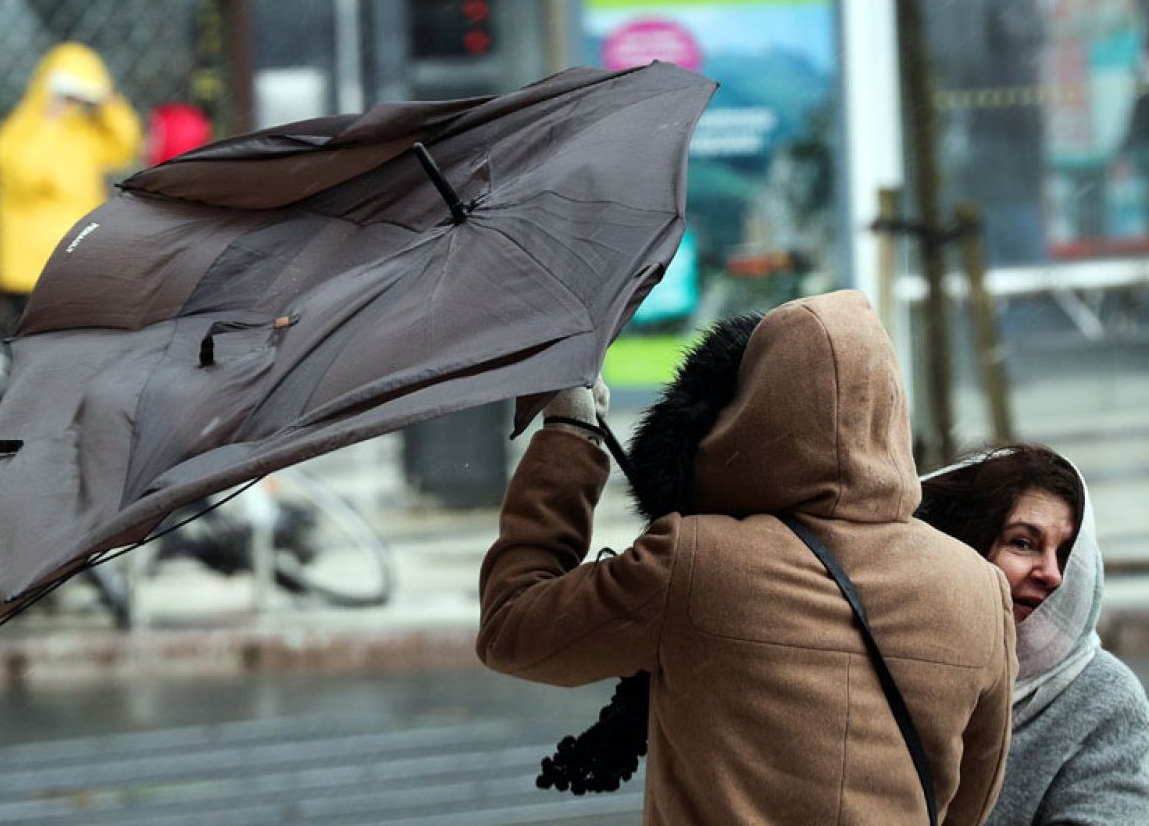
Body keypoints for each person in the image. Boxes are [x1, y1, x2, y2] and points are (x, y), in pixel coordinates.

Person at [477, 290, 1016, 823]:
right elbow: (970, 802)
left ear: (753, 411)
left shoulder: (698, 562)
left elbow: (513, 628)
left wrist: (570, 434)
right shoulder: (978, 589)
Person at [918, 445, 1149, 824]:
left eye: (1065, 554)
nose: (1053, 574)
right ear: (964, 546)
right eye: (1023, 543)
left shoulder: (1103, 699)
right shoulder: (893, 660)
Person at [0, 42, 142, 327]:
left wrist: (108, 101)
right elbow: (26, 178)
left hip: (79, 266)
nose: (73, 103)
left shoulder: (82, 135)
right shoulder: (14, 135)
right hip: (30, 273)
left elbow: (125, 146)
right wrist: (49, 122)